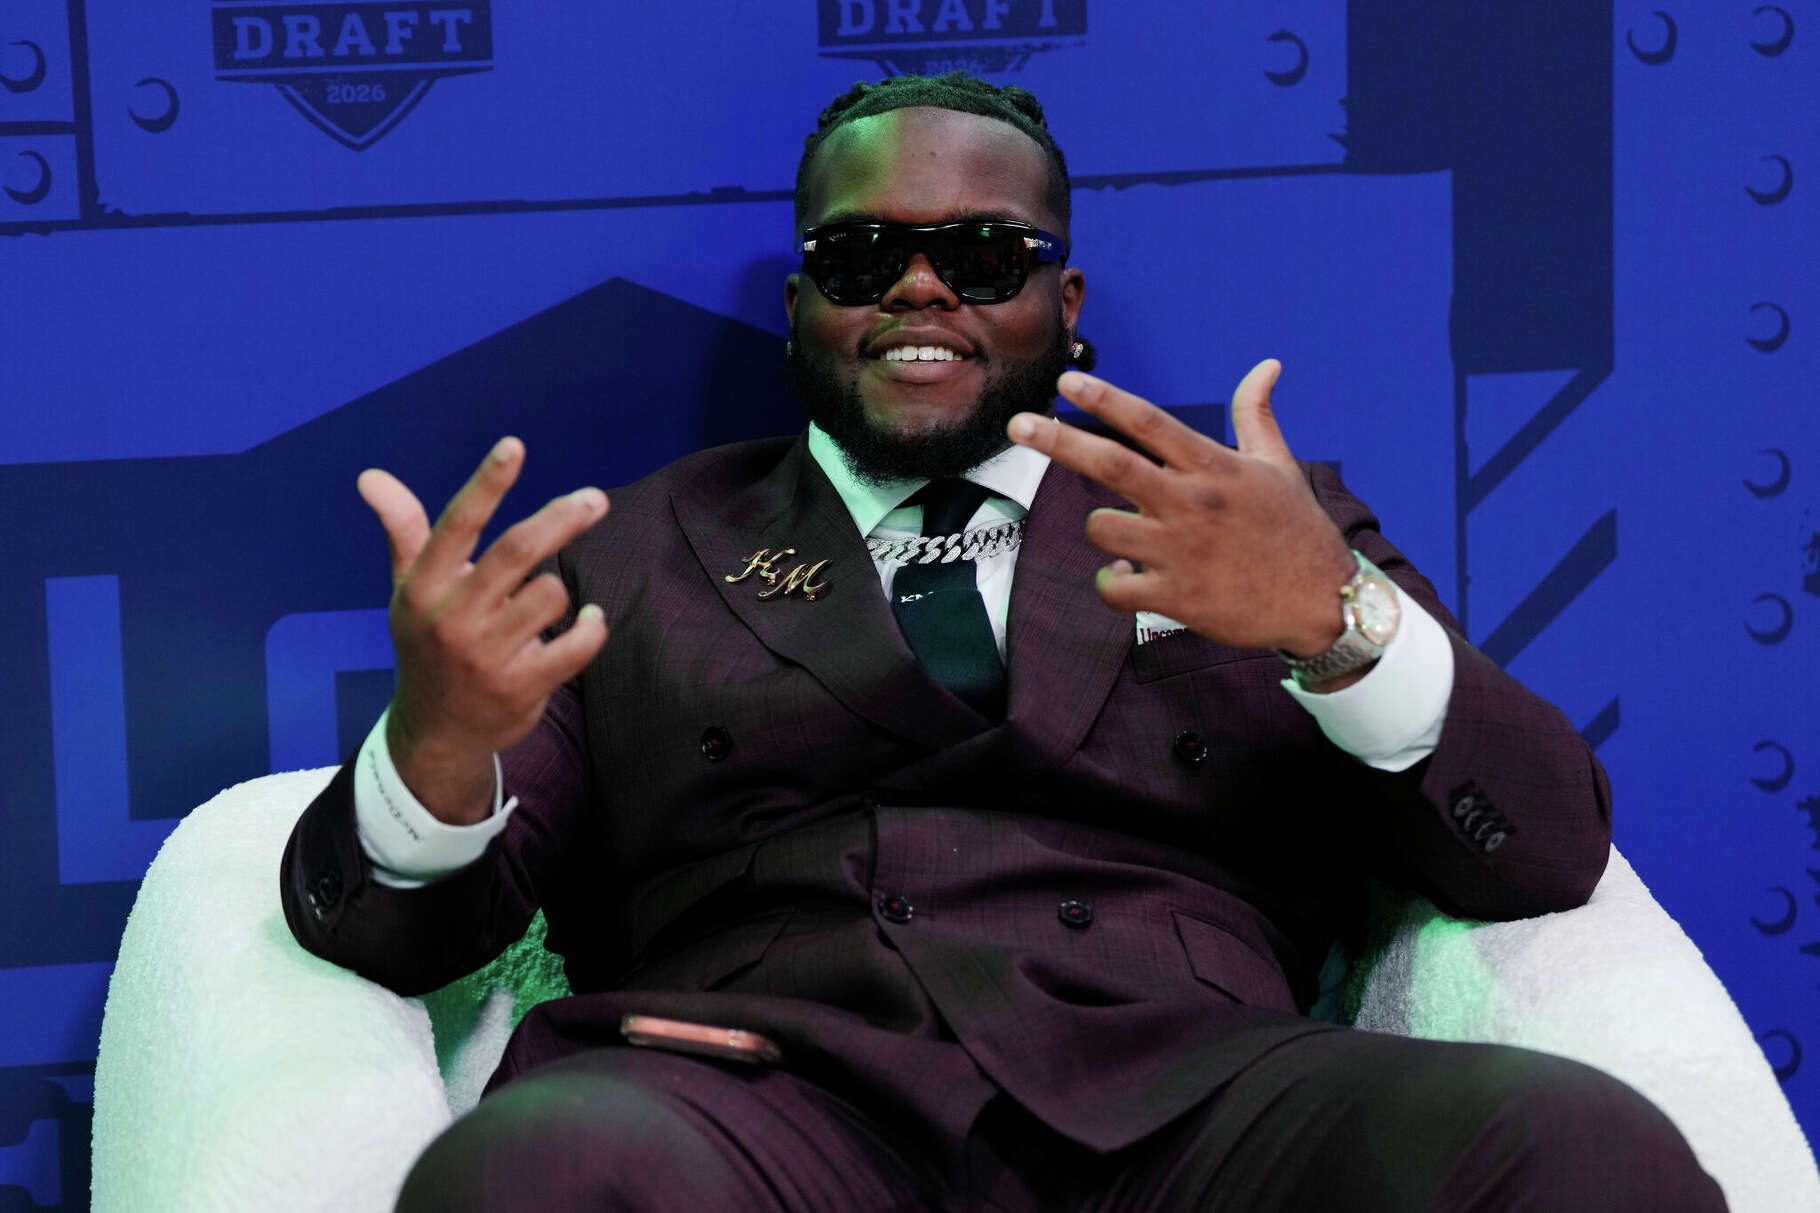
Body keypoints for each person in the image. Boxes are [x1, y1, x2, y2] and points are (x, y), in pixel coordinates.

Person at [282, 73, 1724, 1210]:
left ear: (1064, 306)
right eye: (864, 256)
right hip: (764, 1105)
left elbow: (1541, 845)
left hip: (1193, 1097)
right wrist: (439, 745)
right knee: (529, 1169)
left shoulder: (1249, 511)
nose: (923, 290)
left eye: (983, 253)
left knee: (1575, 1144)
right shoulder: (637, 544)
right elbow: (392, 933)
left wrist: (1330, 618)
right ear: (800, 311)